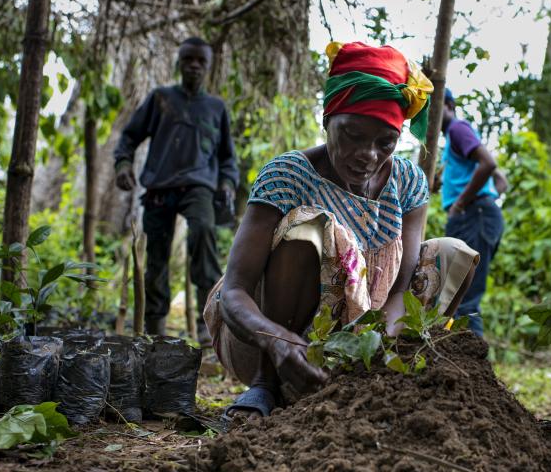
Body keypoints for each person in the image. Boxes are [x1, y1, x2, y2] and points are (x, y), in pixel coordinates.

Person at [203, 42, 479, 418]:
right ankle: (265, 387)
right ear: (327, 120)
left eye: (385, 143)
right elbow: (234, 292)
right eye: (351, 135)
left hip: (354, 345)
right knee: (309, 228)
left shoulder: (409, 182)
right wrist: (279, 343)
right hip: (267, 343)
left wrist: (378, 351)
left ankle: (370, 385)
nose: (368, 154)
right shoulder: (288, 174)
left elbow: (401, 289)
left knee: (451, 252)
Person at [114, 37, 239, 341]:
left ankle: (208, 328)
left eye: (200, 61)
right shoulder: (161, 99)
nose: (194, 66)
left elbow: (227, 157)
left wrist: (226, 184)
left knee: (203, 234)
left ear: (208, 67)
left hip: (199, 186)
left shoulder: (215, 108)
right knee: (156, 257)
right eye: (188, 60)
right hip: (160, 186)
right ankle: (155, 333)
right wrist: (123, 165)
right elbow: (128, 137)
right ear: (179, 63)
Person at [440, 89, 507, 337]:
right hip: (479, 215)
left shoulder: (457, 129)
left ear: (448, 104)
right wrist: (486, 202)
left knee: (464, 298)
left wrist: (463, 204)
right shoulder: (453, 139)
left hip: (473, 216)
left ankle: (474, 371)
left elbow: (489, 164)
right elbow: (501, 181)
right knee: (456, 295)